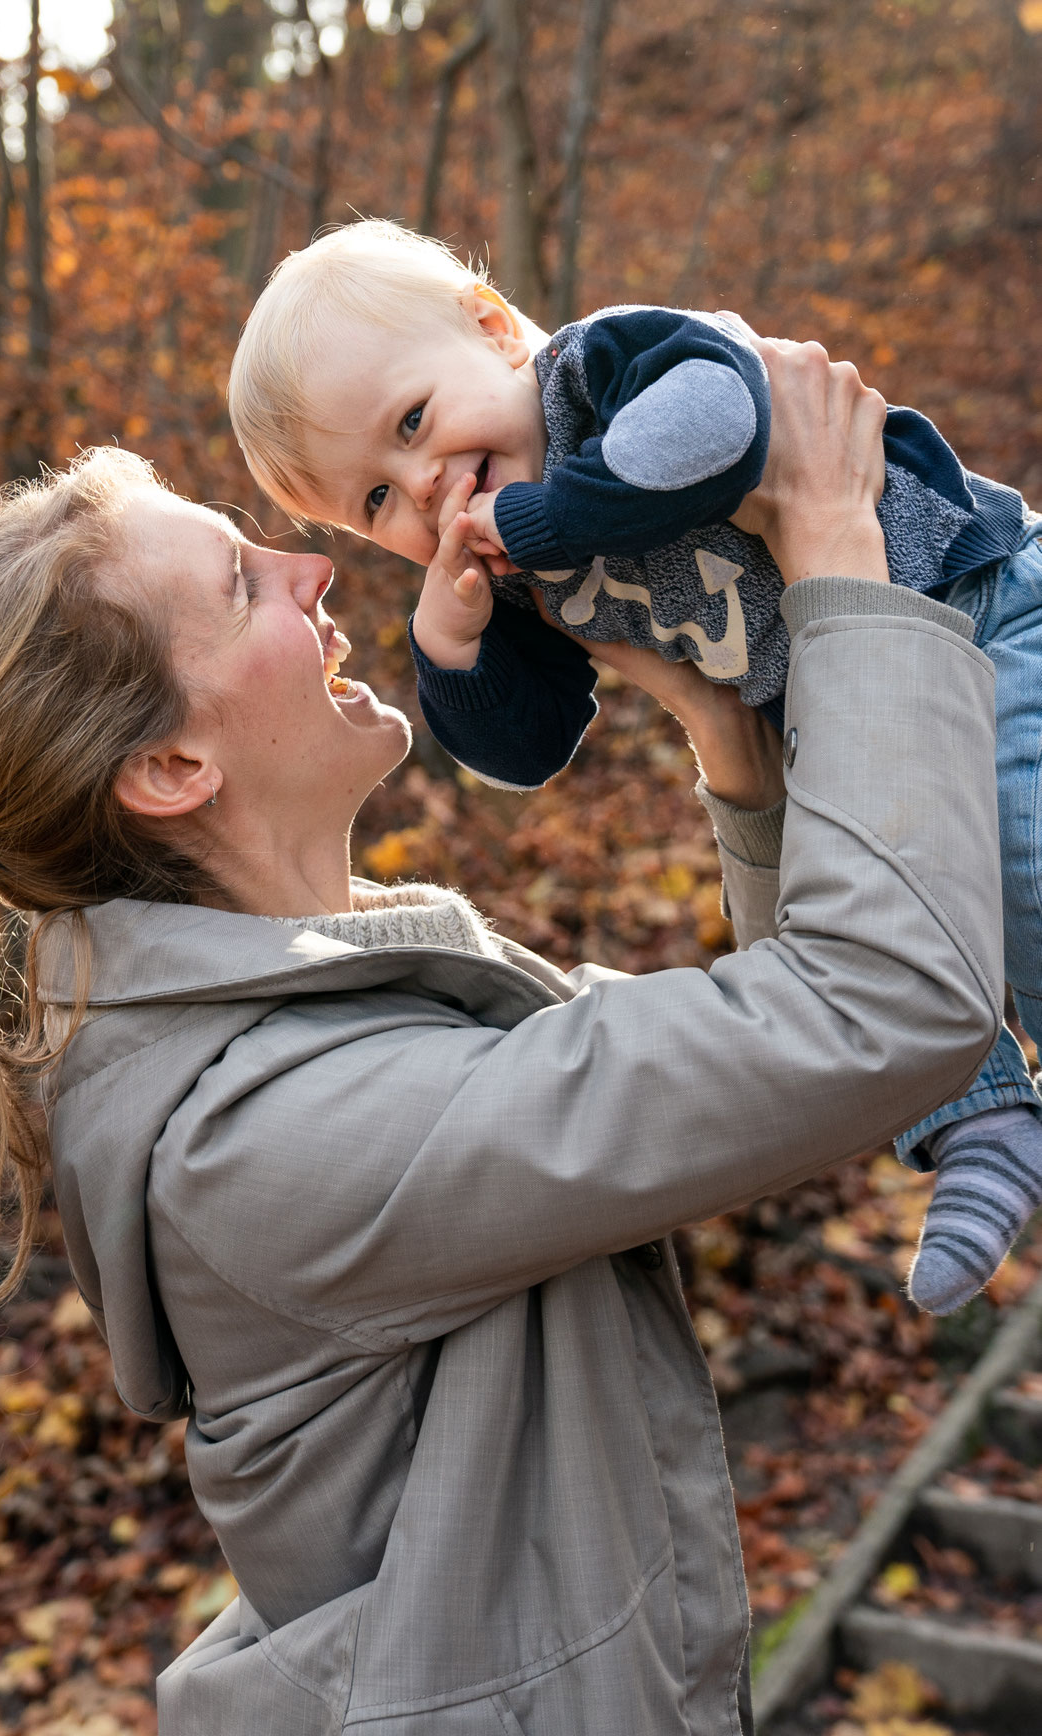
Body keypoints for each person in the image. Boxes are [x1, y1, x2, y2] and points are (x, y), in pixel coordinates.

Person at [0, 346, 1002, 1736]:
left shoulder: (325, 1014)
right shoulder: (270, 1130)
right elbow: (880, 1012)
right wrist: (834, 548)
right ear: (170, 770)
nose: (317, 568)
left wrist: (730, 742)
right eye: (245, 578)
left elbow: (775, 1052)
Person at [227, 219, 1042, 1318]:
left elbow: (724, 421)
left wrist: (545, 515)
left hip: (977, 596)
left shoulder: (594, 372)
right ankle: (979, 1121)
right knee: (858, 891)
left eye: (413, 422)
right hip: (842, 706)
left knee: (1011, 840)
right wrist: (455, 644)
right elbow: (528, 742)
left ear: (493, 328)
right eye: (374, 499)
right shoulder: (512, 573)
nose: (420, 485)